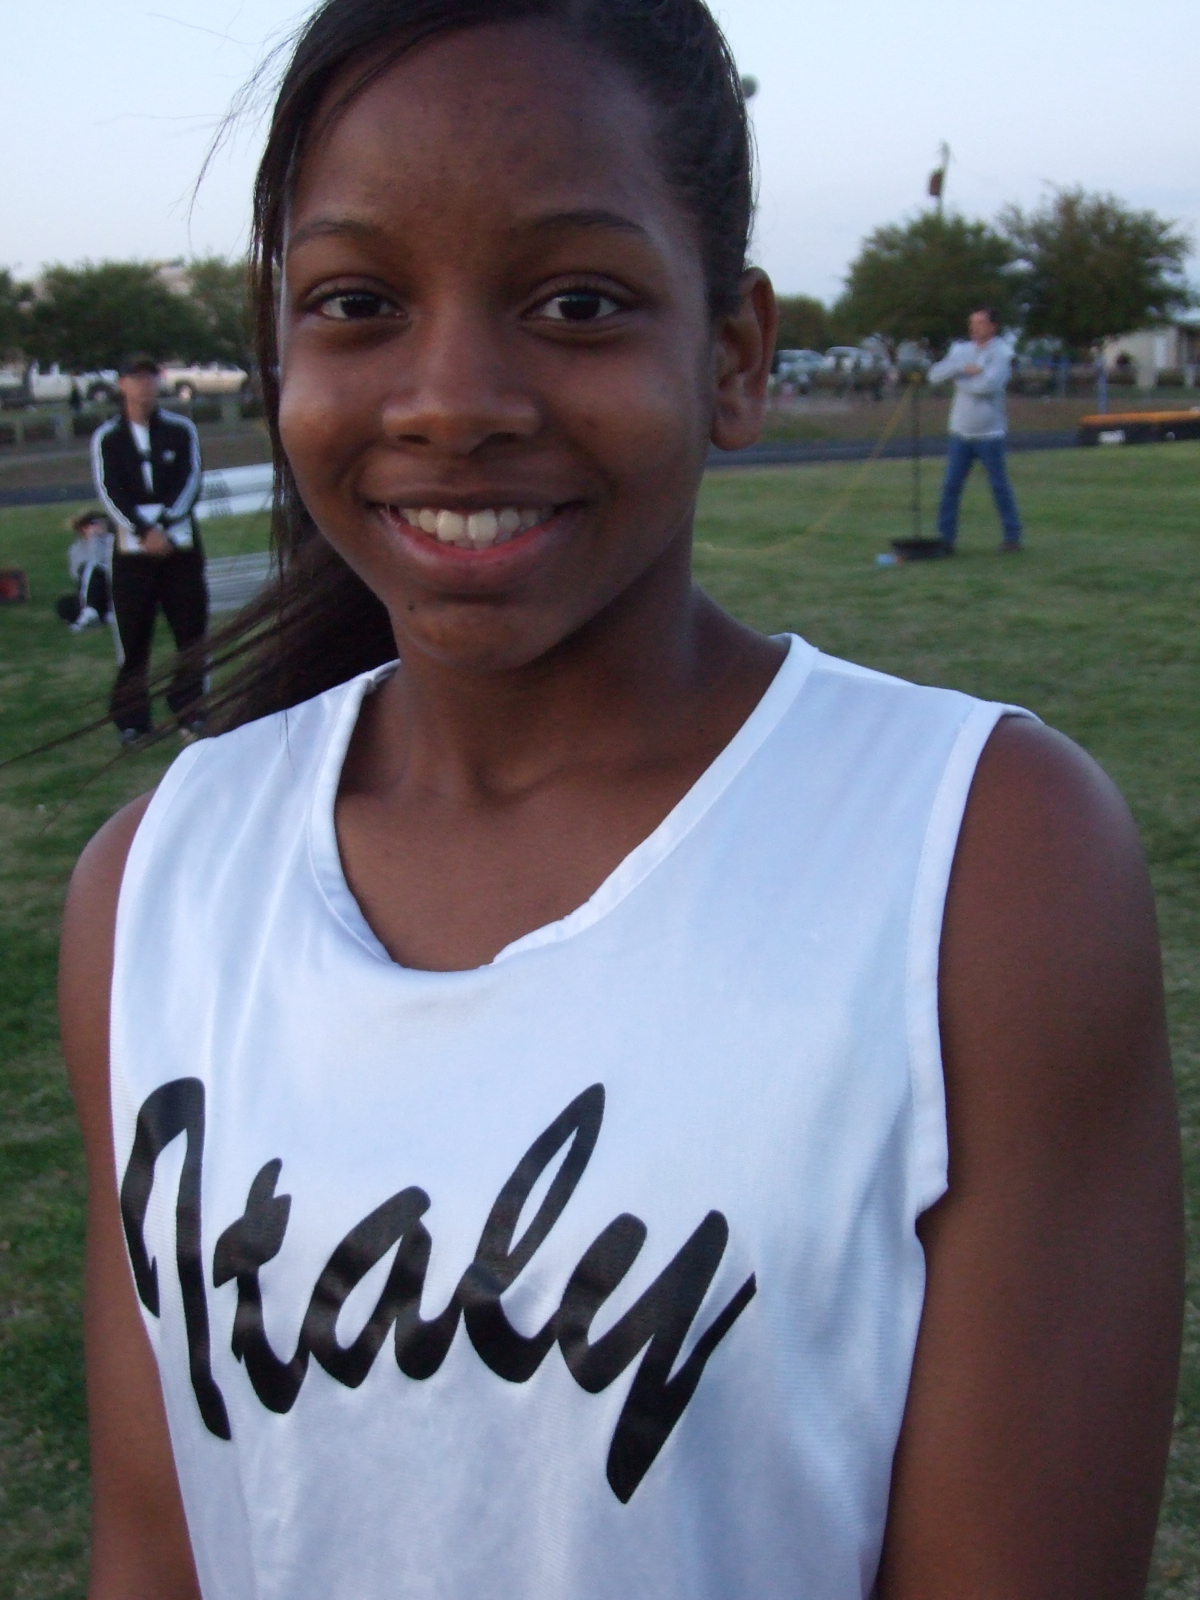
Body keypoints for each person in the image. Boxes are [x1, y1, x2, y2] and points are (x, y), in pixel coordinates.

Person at [60, 4, 1181, 1598]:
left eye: (576, 302)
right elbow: (160, 1540)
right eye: (358, 302)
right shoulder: (153, 889)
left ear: (734, 358)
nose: (452, 398)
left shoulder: (983, 865)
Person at [90, 354, 207, 745]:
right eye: (134, 377)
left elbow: (191, 480)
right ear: (121, 384)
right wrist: (143, 531)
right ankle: (132, 720)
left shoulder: (180, 429)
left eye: (149, 376)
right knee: (134, 637)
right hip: (132, 555)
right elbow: (109, 490)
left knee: (191, 632)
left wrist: (166, 525)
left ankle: (191, 710)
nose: (143, 385)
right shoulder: (108, 437)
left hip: (179, 549)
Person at [929, 309, 1024, 552]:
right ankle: (946, 539)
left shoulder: (1001, 353)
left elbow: (988, 386)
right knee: (950, 487)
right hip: (961, 431)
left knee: (999, 486)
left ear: (993, 326)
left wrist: (958, 381)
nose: (974, 328)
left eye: (980, 323)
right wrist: (961, 369)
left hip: (989, 433)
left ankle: (1012, 536)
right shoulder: (961, 351)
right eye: (972, 323)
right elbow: (935, 375)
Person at [55, 508, 113, 632]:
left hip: (109, 584)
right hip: (88, 590)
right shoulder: (76, 548)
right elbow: (76, 574)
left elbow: (100, 562)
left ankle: (90, 613)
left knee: (92, 567)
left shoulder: (110, 540)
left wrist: (95, 540)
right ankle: (95, 613)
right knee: (64, 604)